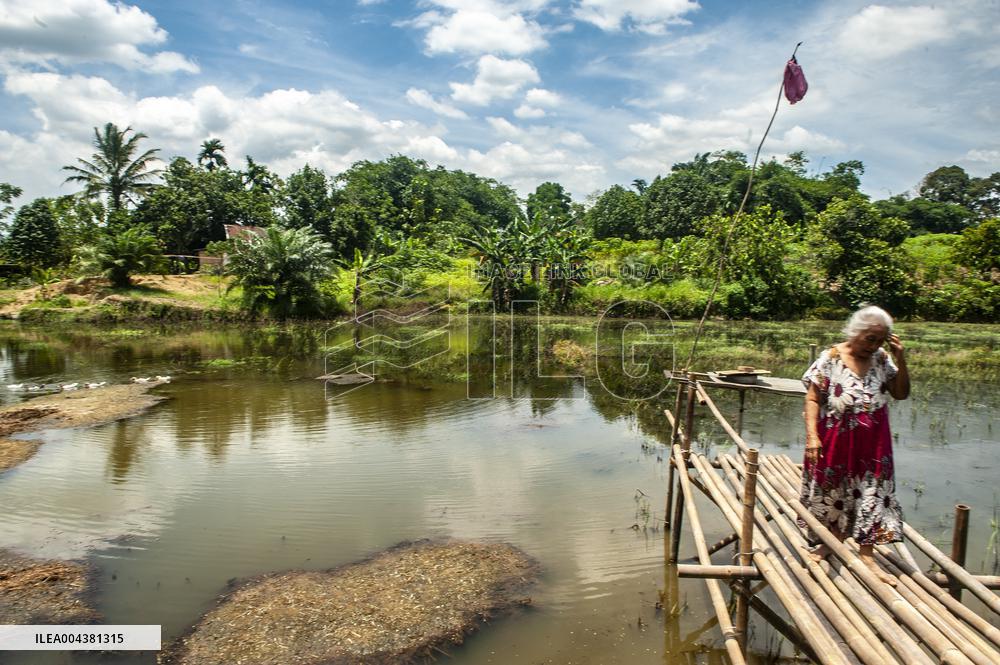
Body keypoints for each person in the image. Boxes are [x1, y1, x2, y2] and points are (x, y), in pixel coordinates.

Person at [799, 305, 910, 585]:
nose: (873, 346)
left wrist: (901, 358)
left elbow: (901, 393)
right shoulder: (830, 358)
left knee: (872, 492)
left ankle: (867, 554)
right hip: (835, 438)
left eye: (879, 340)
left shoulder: (882, 359)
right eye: (869, 339)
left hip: (874, 442)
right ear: (855, 333)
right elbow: (812, 399)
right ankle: (828, 543)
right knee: (833, 489)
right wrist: (813, 436)